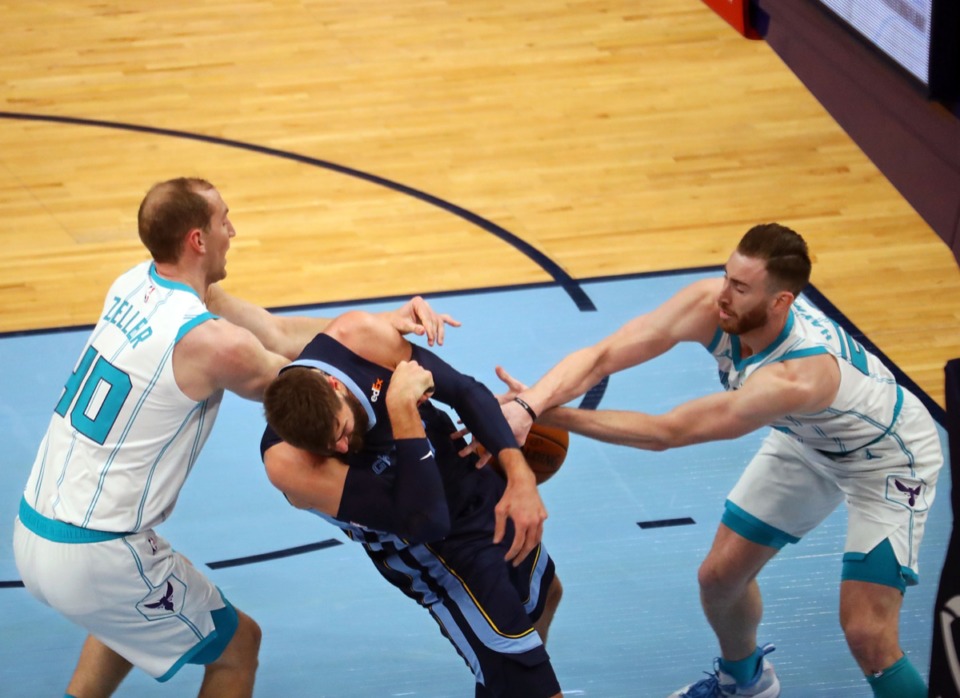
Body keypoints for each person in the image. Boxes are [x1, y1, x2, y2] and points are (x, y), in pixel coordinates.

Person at [12, 176, 456, 698]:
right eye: (224, 219)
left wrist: (381, 321)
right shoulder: (212, 344)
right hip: (98, 552)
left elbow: (276, 331)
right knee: (238, 647)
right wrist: (395, 369)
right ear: (197, 239)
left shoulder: (135, 282)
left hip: (36, 531)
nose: (233, 230)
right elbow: (317, 379)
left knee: (125, 618)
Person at [495, 223, 943, 698]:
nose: (724, 295)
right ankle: (745, 683)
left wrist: (553, 414)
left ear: (781, 303)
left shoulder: (797, 376)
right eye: (727, 276)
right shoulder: (712, 305)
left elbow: (665, 432)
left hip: (888, 463)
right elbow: (603, 356)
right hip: (807, 442)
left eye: (741, 287)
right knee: (719, 578)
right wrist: (530, 405)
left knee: (867, 634)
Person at [260, 308, 564, 698]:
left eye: (339, 431)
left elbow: (466, 392)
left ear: (335, 386)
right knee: (526, 675)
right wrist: (402, 410)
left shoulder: (359, 337)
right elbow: (425, 521)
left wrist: (519, 477)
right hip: (438, 552)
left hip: (477, 489)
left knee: (545, 596)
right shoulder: (287, 463)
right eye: (323, 447)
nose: (338, 448)